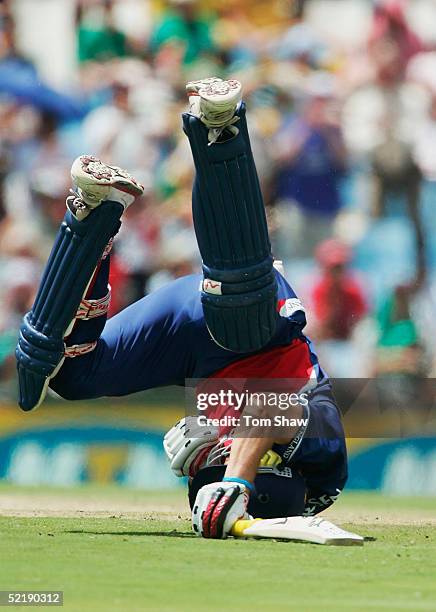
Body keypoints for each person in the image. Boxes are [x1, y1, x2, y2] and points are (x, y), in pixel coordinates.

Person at [16, 78, 347, 539]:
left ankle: (94, 213)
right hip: (257, 325)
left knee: (69, 376)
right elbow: (274, 406)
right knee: (240, 323)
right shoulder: (325, 465)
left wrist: (220, 456)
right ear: (272, 470)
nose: (206, 458)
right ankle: (220, 128)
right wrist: (235, 480)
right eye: (215, 463)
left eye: (204, 468)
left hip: (191, 350)